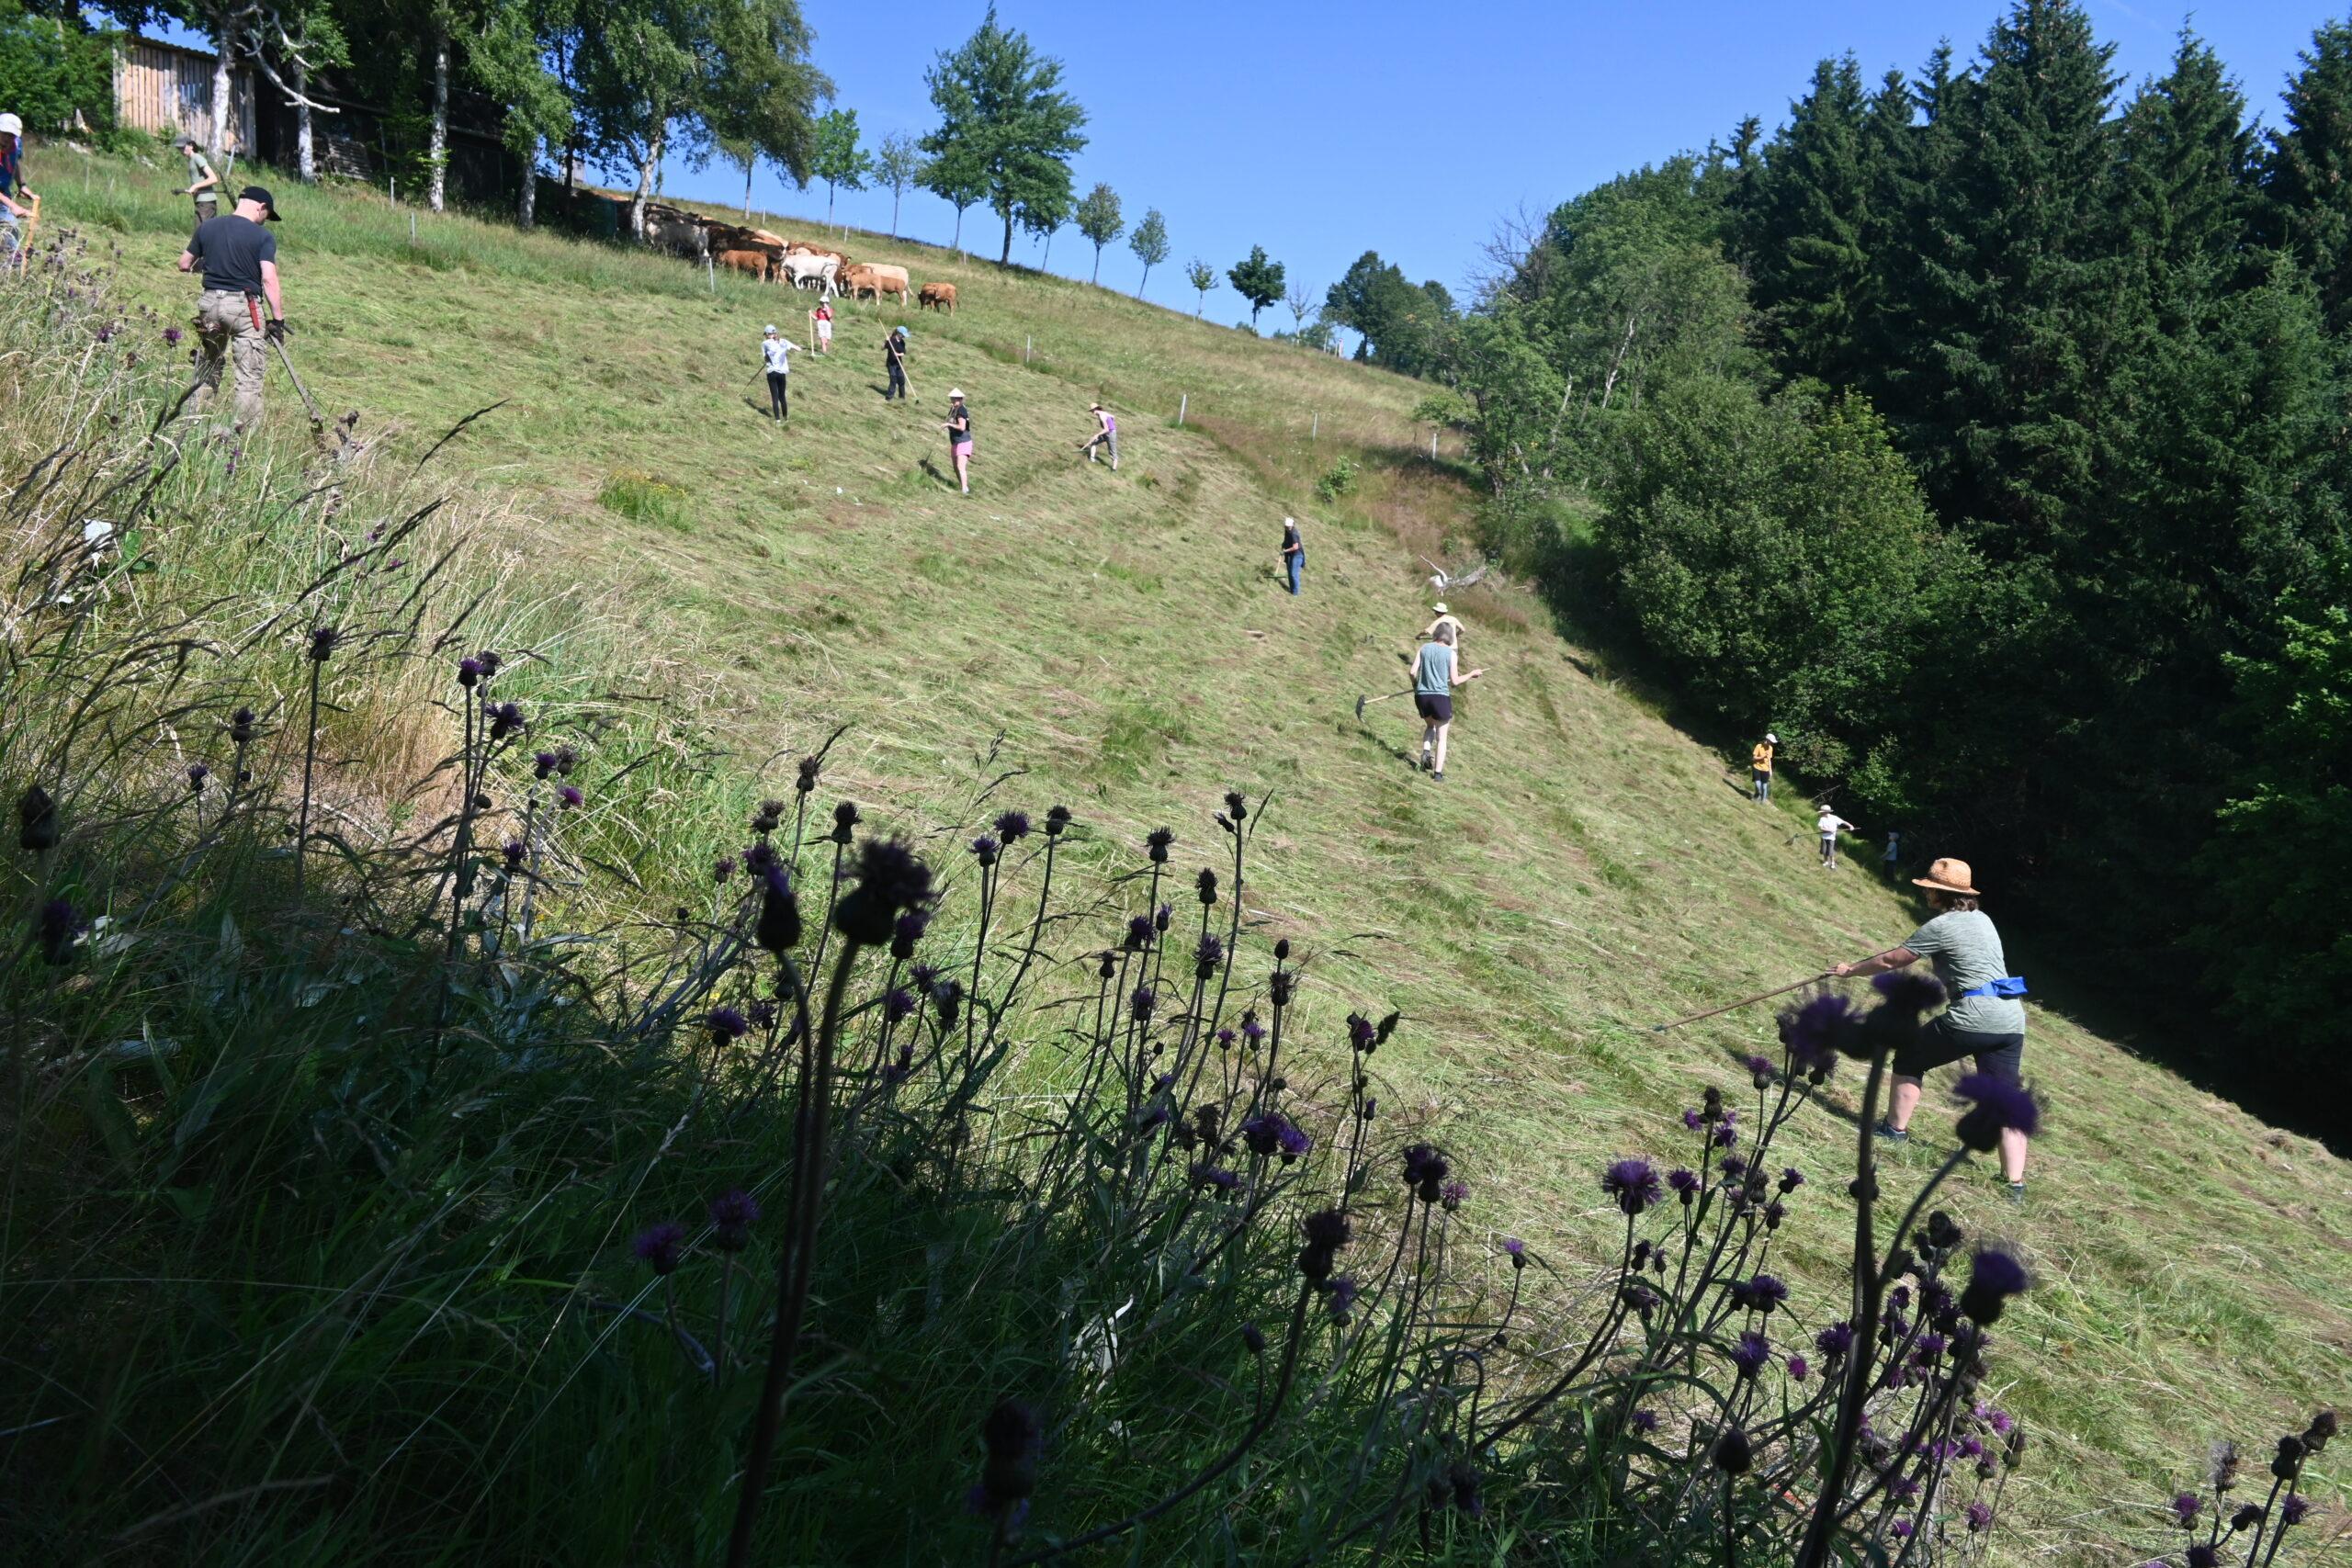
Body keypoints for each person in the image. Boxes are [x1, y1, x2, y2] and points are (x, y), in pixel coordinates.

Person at [1831, 857, 2032, 1201]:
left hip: (1973, 1015)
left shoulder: (1941, 926)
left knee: (1910, 1056)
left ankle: (1894, 1130)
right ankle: (2014, 1185)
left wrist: (1849, 971)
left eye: (1928, 890)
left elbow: (1893, 960)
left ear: (1939, 894)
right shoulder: (1983, 919)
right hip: (2011, 1020)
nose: (1925, 895)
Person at [177, 185, 286, 427]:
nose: (264, 221)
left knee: (209, 362)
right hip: (243, 308)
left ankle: (194, 422)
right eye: (266, 216)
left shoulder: (208, 226)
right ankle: (242, 435)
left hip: (209, 304)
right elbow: (269, 278)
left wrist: (214, 261)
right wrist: (278, 320)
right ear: (262, 207)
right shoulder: (262, 236)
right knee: (249, 375)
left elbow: (184, 263)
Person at [1410, 623, 1484, 781]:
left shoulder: (1424, 648)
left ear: (1436, 634)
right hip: (1440, 697)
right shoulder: (1451, 654)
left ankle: (1426, 751)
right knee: (1442, 737)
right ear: (1450, 636)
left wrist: (1416, 685)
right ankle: (1437, 774)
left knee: (1430, 726)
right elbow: (1455, 681)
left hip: (1422, 696)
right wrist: (1471, 674)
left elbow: (1412, 672)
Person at [0, 111, 34, 267]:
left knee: (11, 228)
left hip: (3, 194)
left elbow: (16, 162)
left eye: (11, 135)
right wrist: (13, 205)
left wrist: (22, 185)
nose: (7, 139)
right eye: (4, 134)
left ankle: (12, 270)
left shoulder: (16, 144)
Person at [180, 136, 221, 230]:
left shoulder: (197, 157)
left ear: (191, 146)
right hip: (201, 202)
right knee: (202, 234)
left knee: (202, 234)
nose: (181, 150)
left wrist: (195, 186)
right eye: (179, 148)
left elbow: (214, 178)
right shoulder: (191, 160)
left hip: (206, 203)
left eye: (183, 147)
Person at [759, 323, 798, 422]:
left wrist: (770, 358)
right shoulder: (784, 341)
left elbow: (766, 359)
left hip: (772, 373)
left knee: (774, 397)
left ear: (767, 334)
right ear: (775, 333)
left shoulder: (764, 344)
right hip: (782, 373)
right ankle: (785, 418)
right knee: (782, 396)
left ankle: (777, 420)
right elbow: (797, 348)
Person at [943, 388, 973, 492]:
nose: (952, 400)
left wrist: (948, 424)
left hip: (963, 442)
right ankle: (962, 486)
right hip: (955, 442)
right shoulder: (954, 409)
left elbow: (962, 427)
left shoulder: (961, 410)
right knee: (955, 467)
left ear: (959, 399)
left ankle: (964, 490)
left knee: (960, 467)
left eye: (954, 399)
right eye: (951, 399)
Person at [1080, 402, 1118, 468]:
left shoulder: (1102, 415)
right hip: (1106, 433)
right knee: (1093, 442)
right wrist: (1111, 424)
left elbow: (1106, 429)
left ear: (1096, 409)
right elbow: (1113, 417)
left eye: (1092, 410)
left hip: (1111, 434)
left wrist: (1097, 434)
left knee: (1112, 451)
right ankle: (1092, 459)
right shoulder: (1104, 413)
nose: (1091, 412)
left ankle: (1114, 469)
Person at [1816, 804, 1854, 868]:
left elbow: (1843, 822)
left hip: (1831, 838)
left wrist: (1850, 826)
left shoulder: (1835, 818)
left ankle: (1832, 863)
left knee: (1830, 851)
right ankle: (1826, 861)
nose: (1821, 813)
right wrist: (1828, 830)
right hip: (1824, 837)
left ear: (1826, 812)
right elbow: (1820, 828)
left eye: (1822, 812)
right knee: (1824, 850)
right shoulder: (1822, 819)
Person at [882, 324, 910, 400]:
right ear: (899, 333)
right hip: (891, 364)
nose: (904, 337)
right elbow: (882, 348)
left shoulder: (902, 342)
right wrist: (885, 341)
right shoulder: (891, 340)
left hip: (899, 364)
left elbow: (903, 352)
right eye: (903, 335)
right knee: (893, 380)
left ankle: (902, 398)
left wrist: (898, 354)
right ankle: (889, 398)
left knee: (901, 380)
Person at [1751, 732, 1778, 802]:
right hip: (1756, 767)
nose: (1772, 743)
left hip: (1766, 769)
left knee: (1764, 786)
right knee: (1758, 784)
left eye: (1772, 742)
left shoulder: (1771, 748)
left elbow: (1769, 760)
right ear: (1767, 740)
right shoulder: (1759, 746)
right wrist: (1763, 756)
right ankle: (1757, 795)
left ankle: (1763, 802)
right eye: (1771, 742)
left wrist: (1770, 770)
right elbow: (1753, 758)